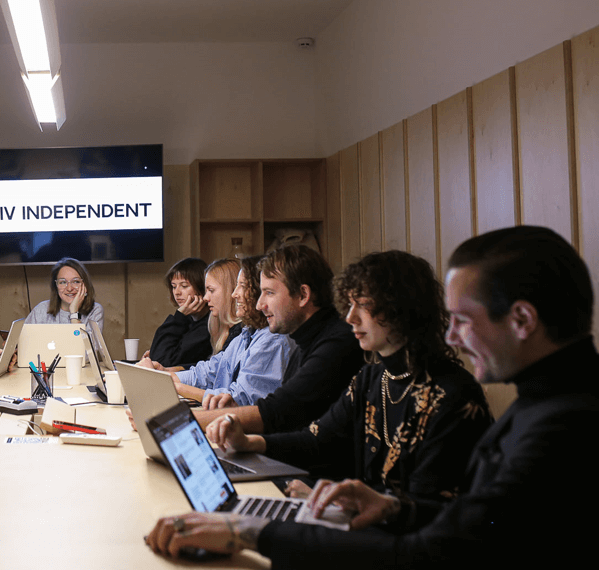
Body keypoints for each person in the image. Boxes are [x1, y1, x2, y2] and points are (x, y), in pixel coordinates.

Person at [145, 226, 599, 570]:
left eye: (464, 318)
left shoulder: (562, 425)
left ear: (521, 319)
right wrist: (396, 507)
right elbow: (472, 524)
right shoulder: (547, 400)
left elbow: (432, 551)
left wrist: (251, 530)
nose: (453, 333)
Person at [209, 251, 492, 501]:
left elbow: (428, 508)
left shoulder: (453, 394)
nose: (350, 318)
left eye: (364, 306)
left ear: (401, 309)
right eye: (350, 305)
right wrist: (248, 443)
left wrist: (339, 502)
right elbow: (317, 440)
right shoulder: (371, 379)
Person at [193, 245, 364, 432]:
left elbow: (280, 412)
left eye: (269, 293)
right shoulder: (304, 341)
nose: (259, 305)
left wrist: (181, 423)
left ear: (303, 295)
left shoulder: (335, 345)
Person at [141, 257, 292, 405]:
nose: (234, 294)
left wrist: (173, 385)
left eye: (242, 286)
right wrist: (165, 376)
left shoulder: (272, 339)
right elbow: (208, 372)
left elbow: (238, 400)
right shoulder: (246, 334)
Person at [145, 257, 240, 371]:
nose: (177, 292)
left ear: (200, 288)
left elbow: (165, 361)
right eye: (174, 286)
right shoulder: (188, 319)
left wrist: (179, 316)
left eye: (184, 286)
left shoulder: (210, 323)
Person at [25, 257, 105, 332]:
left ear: (85, 285)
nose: (69, 288)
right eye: (63, 282)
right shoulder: (41, 309)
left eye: (76, 281)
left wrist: (74, 313)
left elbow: (87, 346)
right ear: (56, 286)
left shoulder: (95, 311)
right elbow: (22, 342)